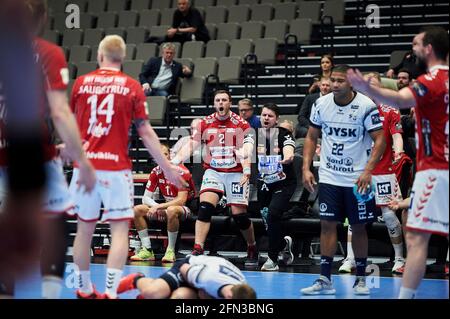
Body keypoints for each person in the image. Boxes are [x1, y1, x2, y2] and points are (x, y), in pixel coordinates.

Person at [69, 35, 185, 299]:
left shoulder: (81, 83)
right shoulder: (132, 86)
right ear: (122, 60)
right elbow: (146, 132)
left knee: (84, 229)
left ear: (99, 56)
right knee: (119, 229)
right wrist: (167, 167)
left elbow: (70, 124)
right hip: (115, 168)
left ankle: (84, 289)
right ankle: (111, 292)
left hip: (84, 166)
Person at [0, 0, 97, 299]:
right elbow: (59, 111)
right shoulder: (45, 52)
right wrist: (80, 156)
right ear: (41, 18)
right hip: (32, 151)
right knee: (55, 220)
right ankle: (50, 294)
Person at [347, 26, 448, 299]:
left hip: (437, 169)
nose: (411, 49)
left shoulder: (431, 80)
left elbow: (397, 98)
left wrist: (365, 87)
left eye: (415, 44)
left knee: (417, 238)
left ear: (428, 48)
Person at [300, 64, 386, 296]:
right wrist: (306, 168)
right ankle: (325, 279)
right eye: (332, 80)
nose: (335, 85)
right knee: (327, 225)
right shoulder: (320, 104)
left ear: (351, 83)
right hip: (329, 175)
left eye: (340, 81)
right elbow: (310, 136)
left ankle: (360, 279)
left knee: (358, 227)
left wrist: (368, 171)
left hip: (358, 179)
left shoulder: (366, 106)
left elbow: (380, 140)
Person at [171, 90, 258, 267]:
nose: (221, 103)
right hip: (214, 171)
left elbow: (249, 143)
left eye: (224, 100)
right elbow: (192, 144)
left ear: (230, 103)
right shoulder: (206, 122)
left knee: (239, 216)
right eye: (218, 100)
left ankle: (252, 246)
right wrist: (174, 162)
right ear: (214, 103)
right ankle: (198, 249)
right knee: (204, 208)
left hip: (236, 172)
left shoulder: (240, 123)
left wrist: (246, 157)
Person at [339, 72, 406, 275]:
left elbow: (396, 136)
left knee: (389, 216)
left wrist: (399, 150)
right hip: (359, 172)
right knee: (354, 217)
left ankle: (400, 259)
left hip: (383, 172)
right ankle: (350, 259)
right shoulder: (354, 110)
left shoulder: (389, 110)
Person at [131, 143, 197, 263]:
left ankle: (170, 251)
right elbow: (145, 198)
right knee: (137, 210)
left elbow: (181, 200)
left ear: (170, 155)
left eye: (165, 154)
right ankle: (147, 250)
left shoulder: (182, 171)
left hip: (184, 209)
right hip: (165, 207)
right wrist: (157, 207)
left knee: (172, 210)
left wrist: (160, 206)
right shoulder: (156, 171)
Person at [255, 103, 296, 271]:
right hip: (264, 183)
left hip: (284, 183)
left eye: (270, 116)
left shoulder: (283, 134)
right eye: (264, 115)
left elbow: (289, 148)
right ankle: (283, 244)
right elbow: (248, 146)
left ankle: (272, 259)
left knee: (272, 213)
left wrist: (287, 156)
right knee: (267, 219)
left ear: (276, 119)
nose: (266, 118)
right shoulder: (254, 134)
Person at [117, 255, 256, 299]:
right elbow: (184, 269)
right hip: (187, 269)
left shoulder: (242, 289)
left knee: (180, 297)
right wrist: (204, 294)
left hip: (205, 286)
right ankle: (137, 279)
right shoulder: (208, 278)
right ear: (229, 297)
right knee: (153, 292)